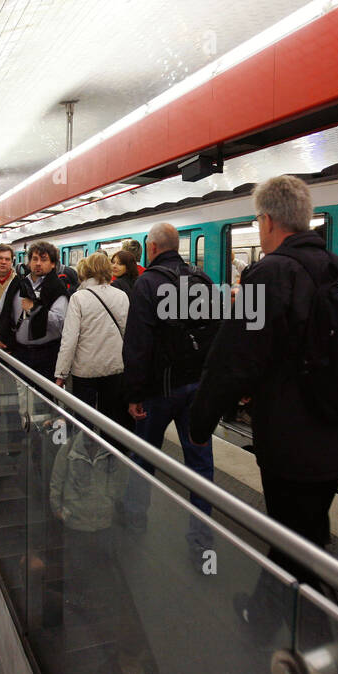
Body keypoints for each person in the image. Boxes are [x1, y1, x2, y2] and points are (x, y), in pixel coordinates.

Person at [189, 175, 338, 633]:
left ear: (267, 220)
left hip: (291, 438)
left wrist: (200, 420)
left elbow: (233, 359)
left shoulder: (269, 273)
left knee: (293, 533)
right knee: (304, 530)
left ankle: (314, 640)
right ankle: (264, 616)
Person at [122, 222, 218, 550]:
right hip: (197, 389)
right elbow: (217, 332)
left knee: (144, 455)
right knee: (201, 463)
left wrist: (134, 394)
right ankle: (201, 539)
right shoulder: (202, 279)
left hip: (159, 391)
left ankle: (135, 520)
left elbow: (138, 344)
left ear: (152, 248)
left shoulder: (147, 283)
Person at [55, 251, 130, 427]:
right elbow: (128, 334)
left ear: (86, 271)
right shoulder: (122, 296)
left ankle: (85, 452)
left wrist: (61, 374)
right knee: (111, 421)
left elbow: (70, 340)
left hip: (85, 371)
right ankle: (111, 453)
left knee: (84, 422)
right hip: (115, 368)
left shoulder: (78, 298)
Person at [0, 240, 70, 381]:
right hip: (19, 352)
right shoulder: (17, 283)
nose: (38, 263)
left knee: (45, 396)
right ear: (29, 262)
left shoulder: (57, 289)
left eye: (44, 259)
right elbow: (1, 311)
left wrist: (35, 309)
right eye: (35, 259)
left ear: (53, 264)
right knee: (22, 395)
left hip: (46, 354)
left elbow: (60, 323)